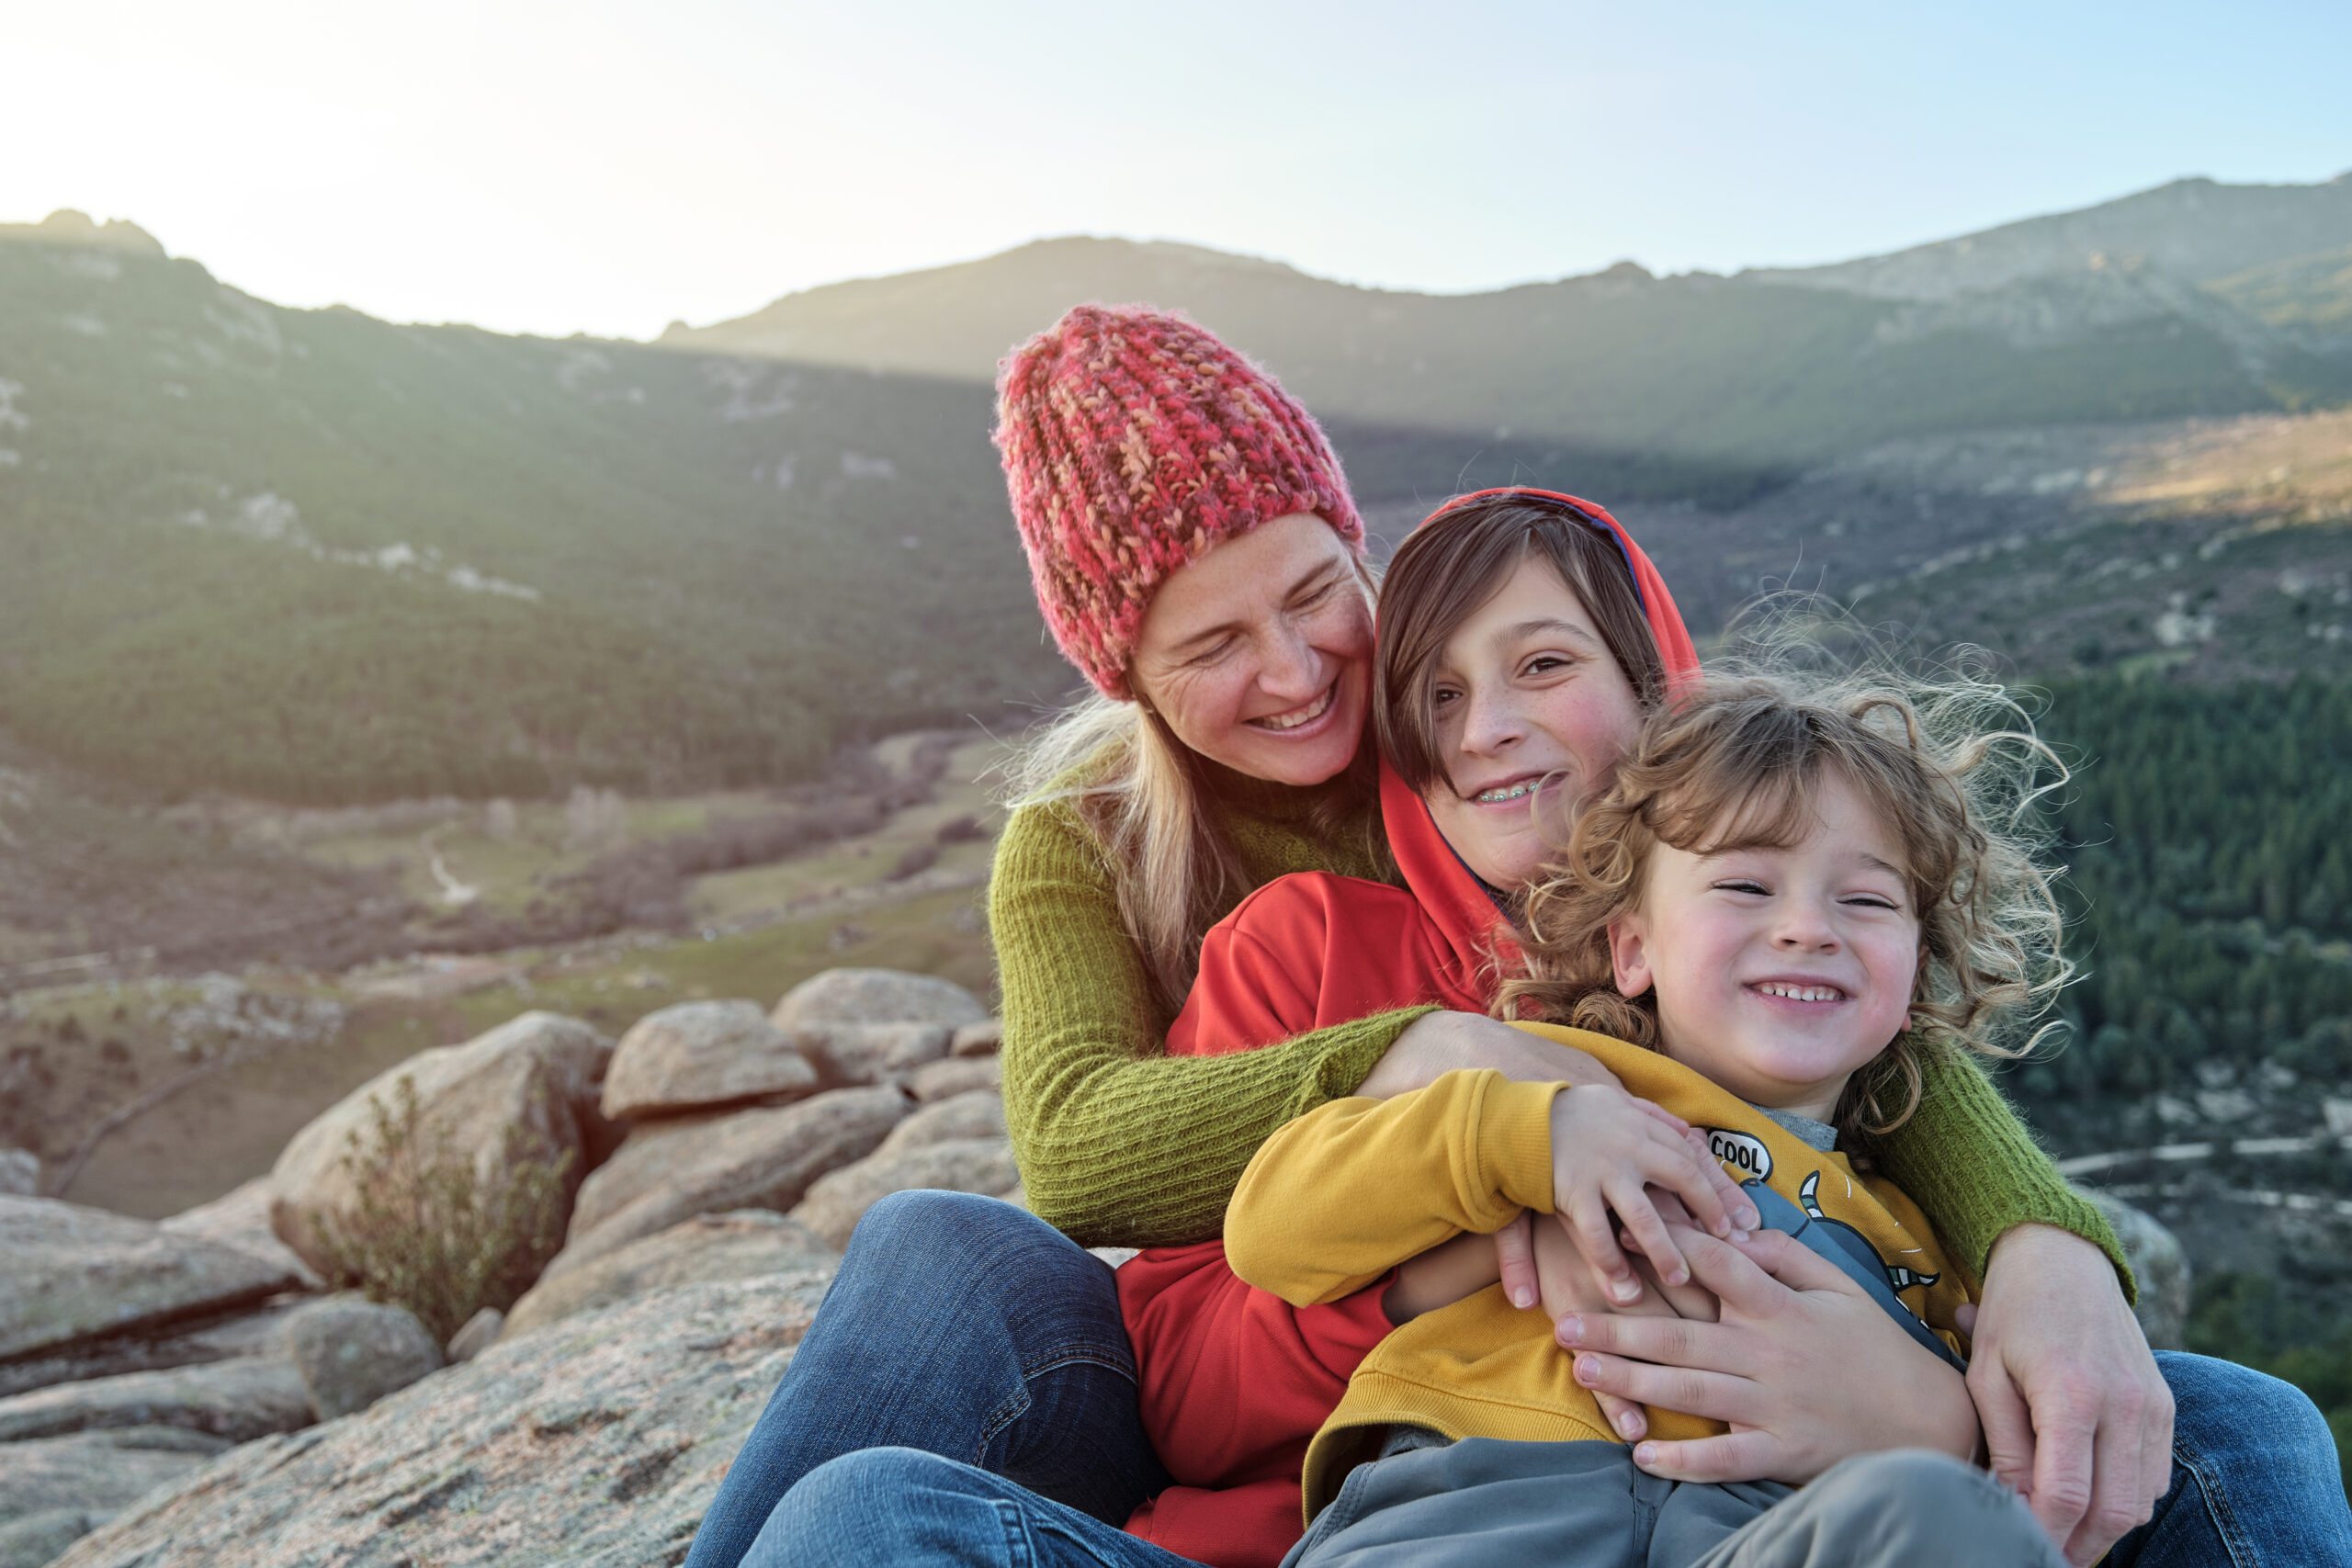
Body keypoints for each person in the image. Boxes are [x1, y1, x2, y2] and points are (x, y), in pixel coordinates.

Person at [685, 310, 2182, 1568]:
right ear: (1126, 678)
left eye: (1315, 598)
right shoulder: (1157, 868)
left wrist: (2045, 1250)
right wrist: (1434, 1092)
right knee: (933, 1268)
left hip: (1730, 1488)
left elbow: (1839, 1003)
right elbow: (1086, 1161)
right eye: (1208, 648)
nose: (1293, 676)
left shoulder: (1590, 780)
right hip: (1359, 1443)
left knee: (2206, 1421)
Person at [1222, 663, 2064, 1565]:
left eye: (1864, 901)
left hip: (1754, 1537)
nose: (1809, 928)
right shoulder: (1554, 1090)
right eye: (1746, 886)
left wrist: (1949, 1423)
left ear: (1911, 981)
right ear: (1633, 948)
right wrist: (1523, 1139)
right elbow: (1270, 1231)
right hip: (1478, 1509)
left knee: (1951, 1517)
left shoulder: (1917, 1245)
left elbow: (2038, 1490)